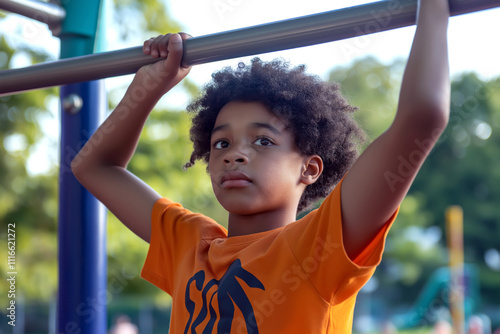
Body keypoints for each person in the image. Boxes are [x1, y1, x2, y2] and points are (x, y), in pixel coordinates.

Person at [71, 0, 451, 332]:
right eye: (221, 143)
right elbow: (93, 167)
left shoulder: (318, 247)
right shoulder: (191, 243)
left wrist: (432, 9)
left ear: (310, 169)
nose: (234, 154)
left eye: (263, 141)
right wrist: (151, 84)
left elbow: (422, 117)